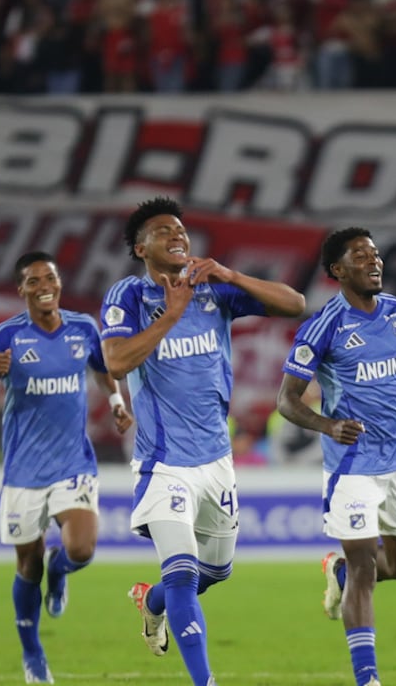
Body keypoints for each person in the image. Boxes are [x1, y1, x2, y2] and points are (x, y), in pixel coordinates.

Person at [100, 197, 305, 686]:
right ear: (140, 247)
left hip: (217, 460)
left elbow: (295, 303)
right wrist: (169, 316)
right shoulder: (128, 296)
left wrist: (232, 276)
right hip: (163, 462)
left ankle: (152, 604)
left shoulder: (214, 291)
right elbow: (115, 362)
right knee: (184, 576)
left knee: (216, 574)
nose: (177, 234)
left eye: (181, 228)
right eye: (162, 229)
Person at [276, 226, 396, 686]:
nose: (374, 261)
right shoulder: (324, 325)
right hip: (351, 464)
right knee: (365, 563)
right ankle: (368, 678)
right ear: (338, 271)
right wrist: (328, 425)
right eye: (361, 256)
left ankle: (338, 572)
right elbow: (286, 399)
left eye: (376, 254)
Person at [0, 251, 134, 684]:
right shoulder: (6, 336)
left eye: (51, 278)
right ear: (21, 289)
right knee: (27, 565)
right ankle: (32, 652)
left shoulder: (83, 327)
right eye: (34, 280)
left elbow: (102, 369)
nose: (45, 285)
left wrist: (116, 403)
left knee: (80, 549)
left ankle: (61, 574)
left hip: (73, 462)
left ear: (59, 283)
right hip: (23, 470)